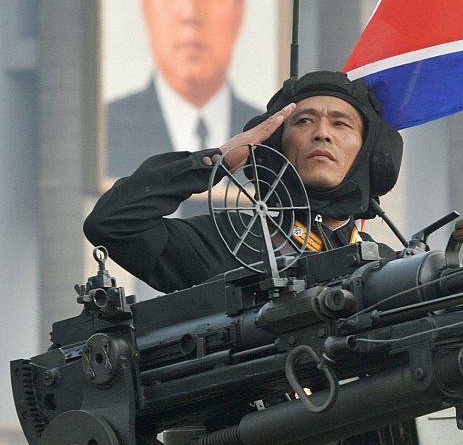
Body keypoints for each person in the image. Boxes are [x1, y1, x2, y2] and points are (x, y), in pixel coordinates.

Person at [86, 71, 403, 291]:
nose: (322, 133)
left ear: (370, 153)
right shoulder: (230, 240)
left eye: (340, 123)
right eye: (304, 121)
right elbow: (113, 223)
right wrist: (220, 160)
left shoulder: (392, 270)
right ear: (274, 146)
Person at [106, 0, 261, 179]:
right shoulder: (107, 126)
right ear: (144, 0)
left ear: (239, 8)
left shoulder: (265, 138)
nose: (190, 12)